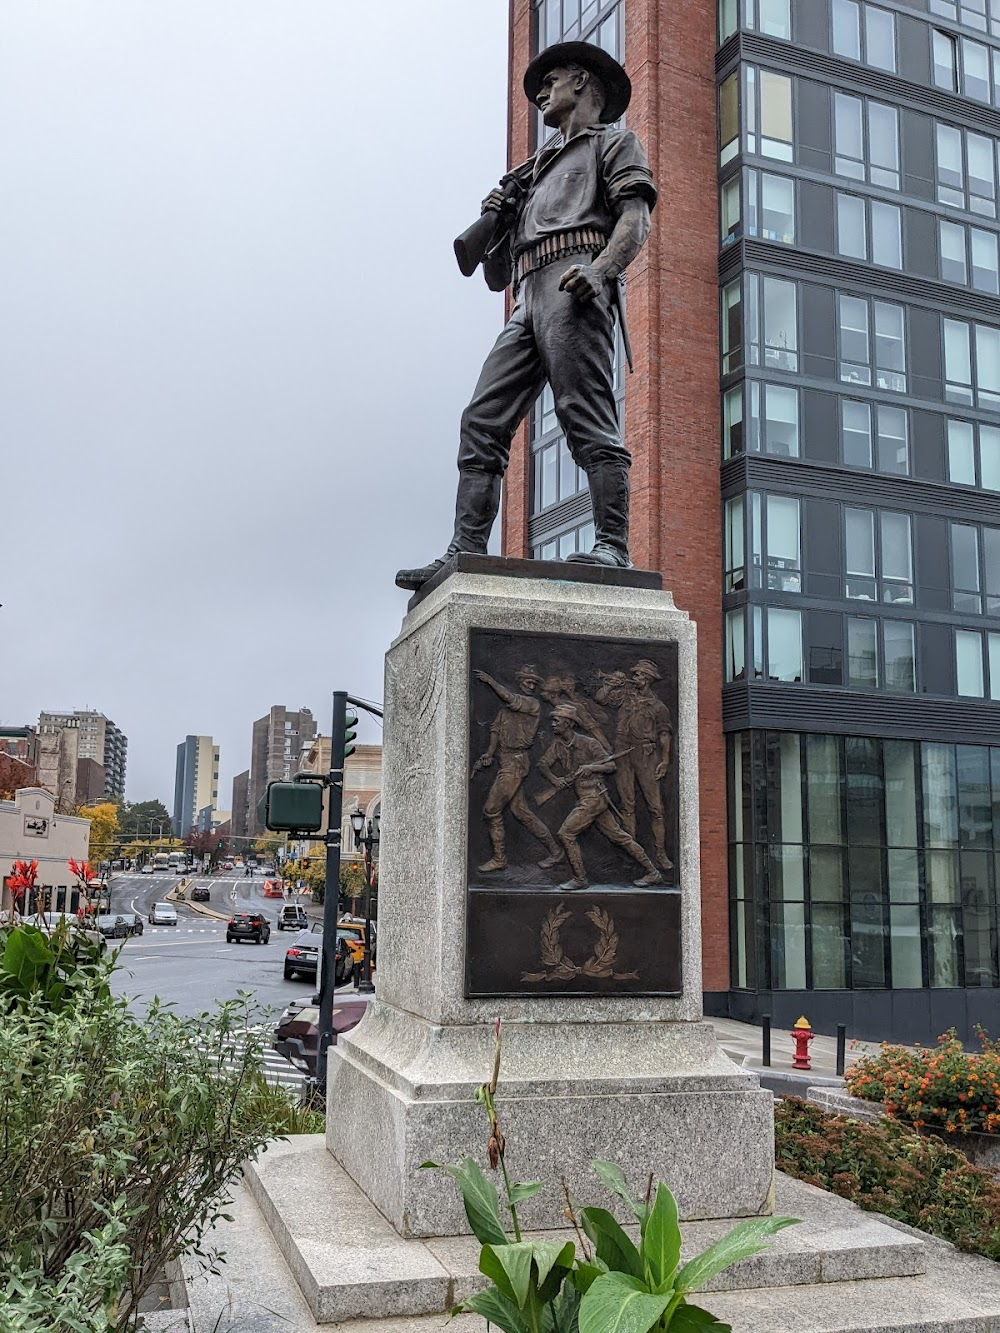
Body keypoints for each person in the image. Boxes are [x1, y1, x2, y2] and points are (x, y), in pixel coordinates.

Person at [396, 41, 656, 591]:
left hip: (574, 281)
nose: (541, 90)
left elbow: (636, 220)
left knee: (584, 415)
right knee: (482, 420)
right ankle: (464, 548)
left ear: (582, 83)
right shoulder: (531, 173)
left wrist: (602, 271)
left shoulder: (613, 143)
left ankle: (613, 545)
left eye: (552, 79)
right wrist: (498, 215)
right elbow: (493, 275)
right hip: (528, 294)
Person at [537, 704, 662, 890]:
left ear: (569, 723)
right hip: (584, 798)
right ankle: (653, 872)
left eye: (557, 720)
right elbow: (542, 764)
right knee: (620, 838)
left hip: (594, 796)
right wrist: (556, 780)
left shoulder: (589, 743)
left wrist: (591, 768)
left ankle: (580, 879)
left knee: (566, 833)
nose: (553, 724)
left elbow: (611, 766)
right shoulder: (558, 745)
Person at [473, 665, 564, 872]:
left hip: (516, 762)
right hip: (507, 759)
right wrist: (489, 752)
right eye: (527, 681)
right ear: (520, 681)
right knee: (522, 813)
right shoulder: (505, 711)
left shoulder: (531, 704)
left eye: (534, 682)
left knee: (491, 810)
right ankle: (556, 852)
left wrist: (490, 681)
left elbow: (510, 699)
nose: (531, 685)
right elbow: (495, 730)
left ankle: (499, 858)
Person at [595, 659, 674, 871]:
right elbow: (600, 699)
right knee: (627, 805)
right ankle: (631, 854)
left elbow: (664, 735)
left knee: (655, 807)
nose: (634, 677)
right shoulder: (625, 695)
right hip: (623, 752)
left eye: (638, 675)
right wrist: (610, 683)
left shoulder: (659, 707)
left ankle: (660, 853)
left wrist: (665, 760)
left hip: (646, 755)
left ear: (647, 678)